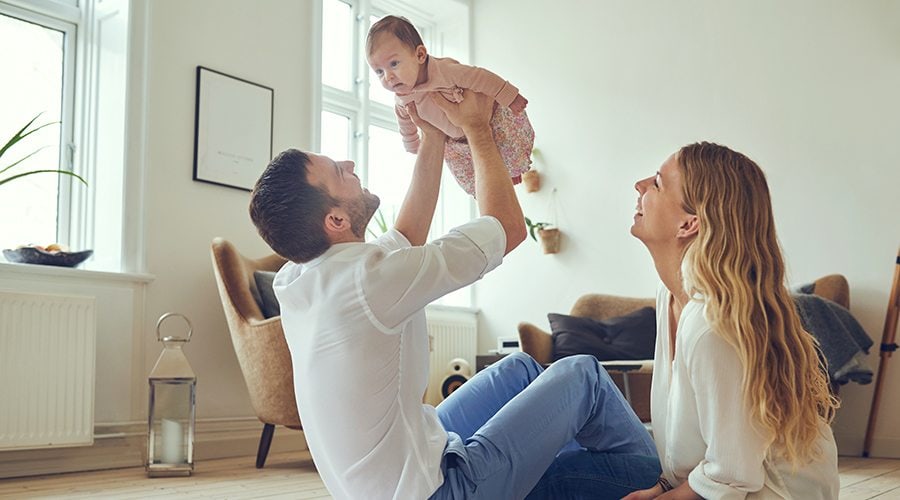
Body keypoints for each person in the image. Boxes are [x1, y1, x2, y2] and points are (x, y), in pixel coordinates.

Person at [248, 90, 660, 500]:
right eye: (339, 171)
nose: (351, 163)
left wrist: (433, 138)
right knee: (583, 375)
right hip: (438, 493)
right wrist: (477, 127)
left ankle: (550, 478)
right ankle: (654, 480)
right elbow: (507, 227)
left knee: (517, 368)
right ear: (335, 218)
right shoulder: (369, 282)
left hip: (409, 468)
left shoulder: (299, 278)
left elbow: (405, 238)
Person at [615, 142, 838, 498]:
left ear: (690, 223)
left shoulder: (710, 324)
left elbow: (732, 477)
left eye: (657, 183)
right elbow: (686, 447)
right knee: (572, 430)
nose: (640, 185)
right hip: (711, 485)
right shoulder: (669, 296)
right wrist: (658, 486)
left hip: (767, 495)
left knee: (563, 472)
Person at [366, 15, 534, 196]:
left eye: (394, 64)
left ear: (420, 55)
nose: (388, 76)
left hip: (487, 118)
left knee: (505, 140)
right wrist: (412, 145)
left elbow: (479, 77)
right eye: (379, 72)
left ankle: (514, 170)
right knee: (465, 172)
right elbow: (405, 124)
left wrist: (509, 95)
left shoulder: (445, 70)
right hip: (454, 141)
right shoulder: (402, 99)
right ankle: (496, 184)